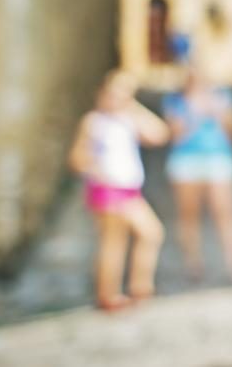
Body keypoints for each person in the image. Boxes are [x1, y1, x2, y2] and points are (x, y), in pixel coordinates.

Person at [68, 69, 170, 311]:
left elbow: (160, 134)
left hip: (128, 190)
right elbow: (76, 159)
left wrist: (133, 108)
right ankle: (114, 294)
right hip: (109, 190)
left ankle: (132, 289)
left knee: (140, 236)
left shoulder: (127, 119)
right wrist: (98, 172)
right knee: (121, 239)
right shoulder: (94, 122)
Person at [163, 64, 232, 281]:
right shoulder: (175, 100)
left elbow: (231, 130)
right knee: (189, 214)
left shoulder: (223, 97)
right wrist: (195, 115)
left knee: (225, 212)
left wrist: (216, 112)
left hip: (217, 158)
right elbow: (175, 134)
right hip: (185, 161)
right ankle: (193, 263)